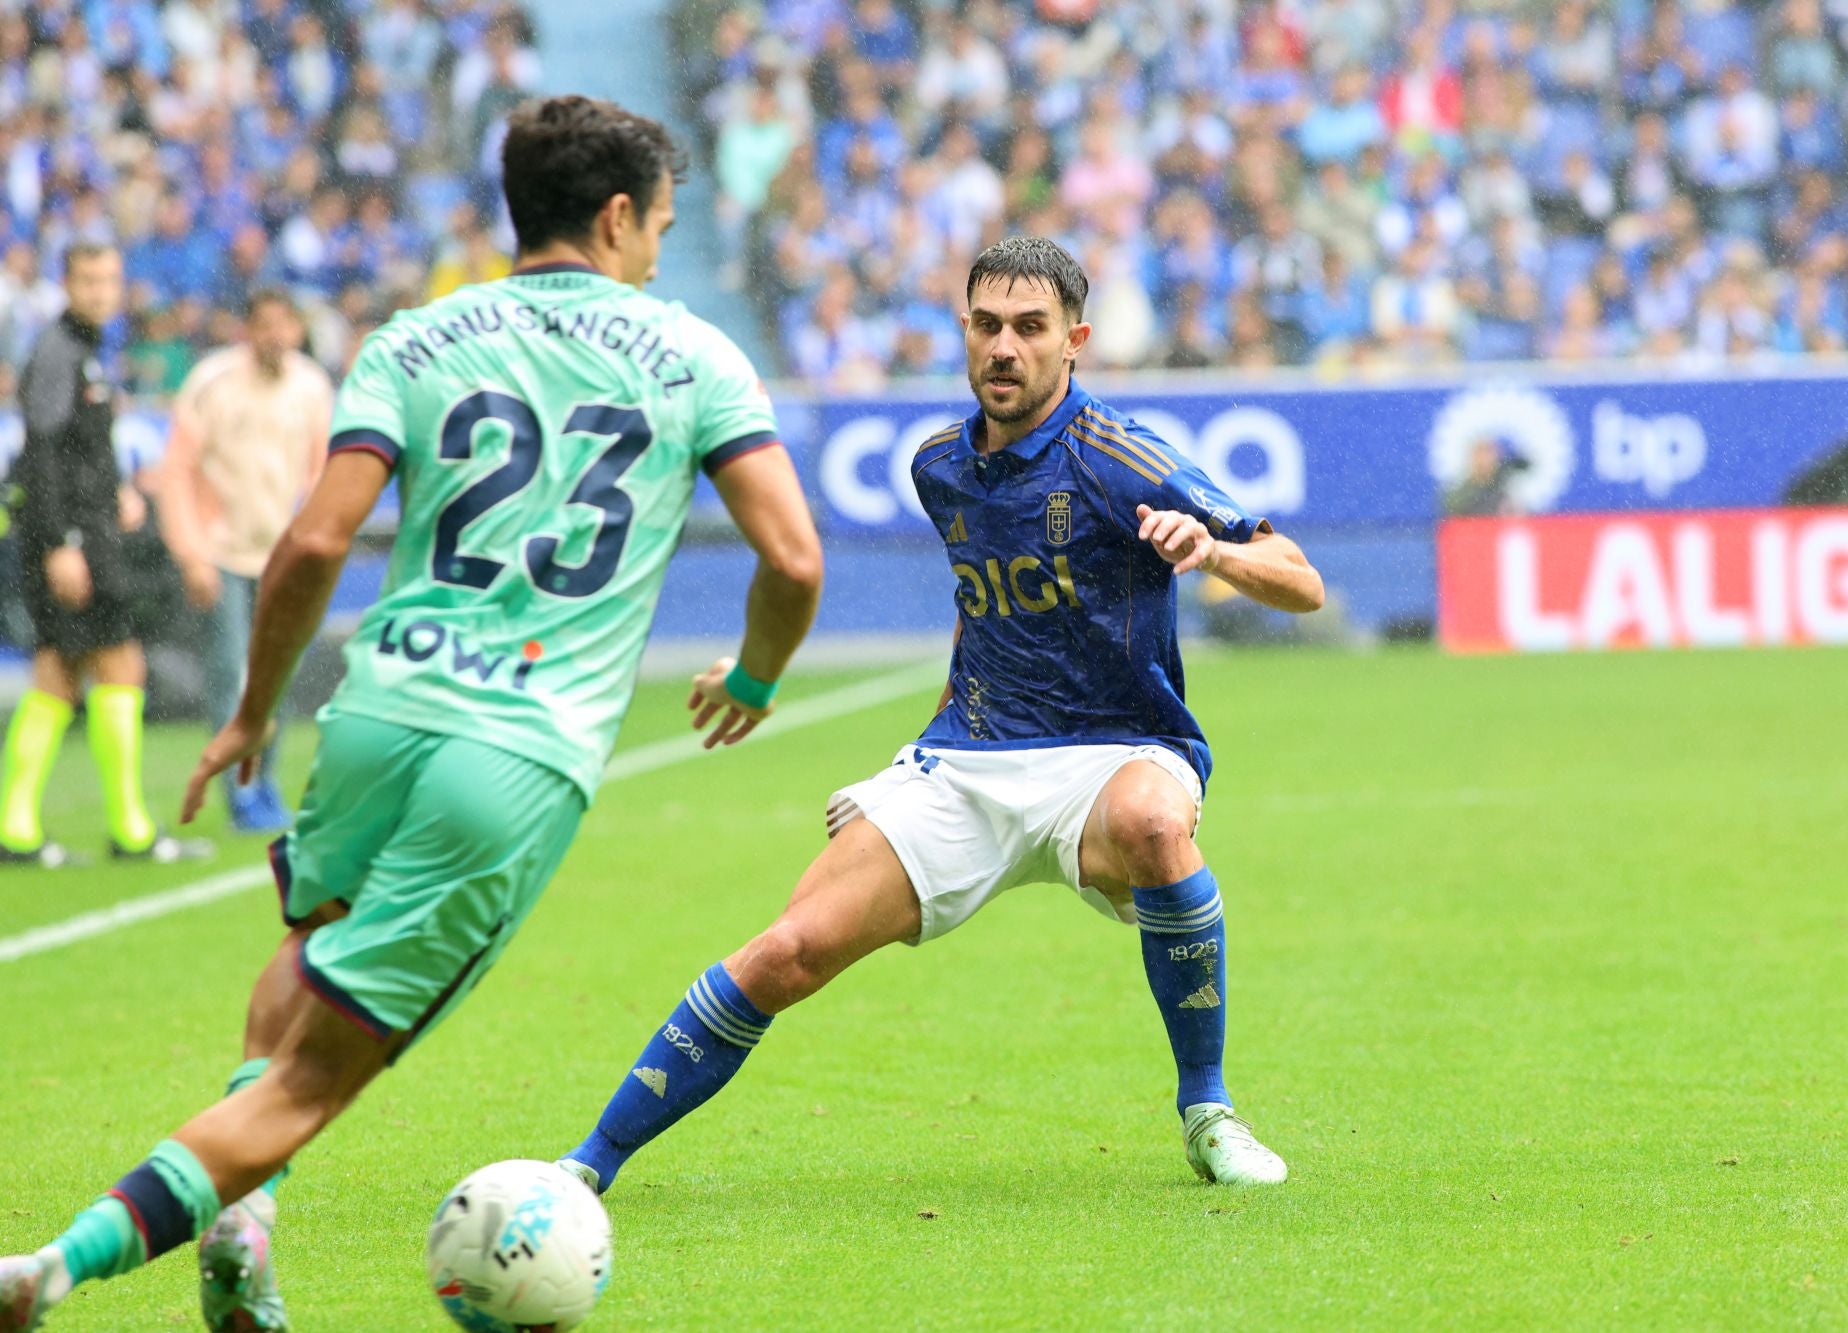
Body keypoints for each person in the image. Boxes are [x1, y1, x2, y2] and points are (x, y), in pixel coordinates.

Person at [0, 95, 823, 1331]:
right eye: (658, 225)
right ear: (615, 217)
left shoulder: (418, 337)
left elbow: (311, 543)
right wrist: (754, 677)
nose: (659, 252)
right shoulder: (696, 355)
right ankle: (50, 1271)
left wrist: (253, 714)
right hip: (517, 757)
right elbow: (795, 560)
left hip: (379, 709)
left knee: (309, 942)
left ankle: (245, 1217)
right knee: (311, 1083)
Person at [559, 236, 1325, 1196]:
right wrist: (918, 753)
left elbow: (1302, 580)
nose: (1005, 347)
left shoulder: (1121, 458)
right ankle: (583, 1166)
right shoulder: (938, 466)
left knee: (1154, 824)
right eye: (987, 325)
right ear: (963, 329)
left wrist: (1212, 551)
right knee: (787, 950)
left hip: (1114, 756)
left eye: (1031, 328)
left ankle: (1209, 1111)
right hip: (966, 765)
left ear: (1075, 341)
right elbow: (983, 603)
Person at [0, 244, 212, 868]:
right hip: (73, 542)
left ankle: (18, 828)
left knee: (59, 674)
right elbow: (39, 453)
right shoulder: (59, 353)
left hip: (86, 532)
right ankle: (130, 829)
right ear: (67, 284)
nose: (100, 291)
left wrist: (115, 490)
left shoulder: (85, 350)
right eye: (88, 280)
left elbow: (76, 448)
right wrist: (62, 542)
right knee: (118, 665)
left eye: (110, 280)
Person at [158, 289, 334, 833]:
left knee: (278, 674)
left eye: (284, 325)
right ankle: (241, 791)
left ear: (298, 331)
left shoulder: (312, 387)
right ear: (247, 331)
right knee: (232, 674)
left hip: (282, 557)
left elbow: (322, 474)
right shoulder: (212, 382)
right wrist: (192, 553)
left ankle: (265, 779)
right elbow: (176, 472)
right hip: (223, 552)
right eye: (264, 325)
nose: (274, 336)